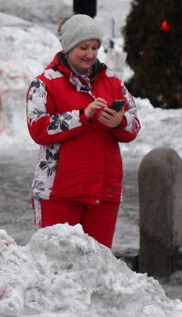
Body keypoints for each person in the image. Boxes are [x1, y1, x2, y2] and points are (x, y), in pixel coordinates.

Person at [27, 14, 140, 248]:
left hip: (104, 193)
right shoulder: (44, 83)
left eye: (95, 47)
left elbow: (134, 125)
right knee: (56, 267)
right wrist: (82, 116)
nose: (90, 54)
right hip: (59, 193)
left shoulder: (113, 82)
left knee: (97, 268)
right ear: (68, 48)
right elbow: (38, 129)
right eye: (83, 47)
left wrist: (119, 121)